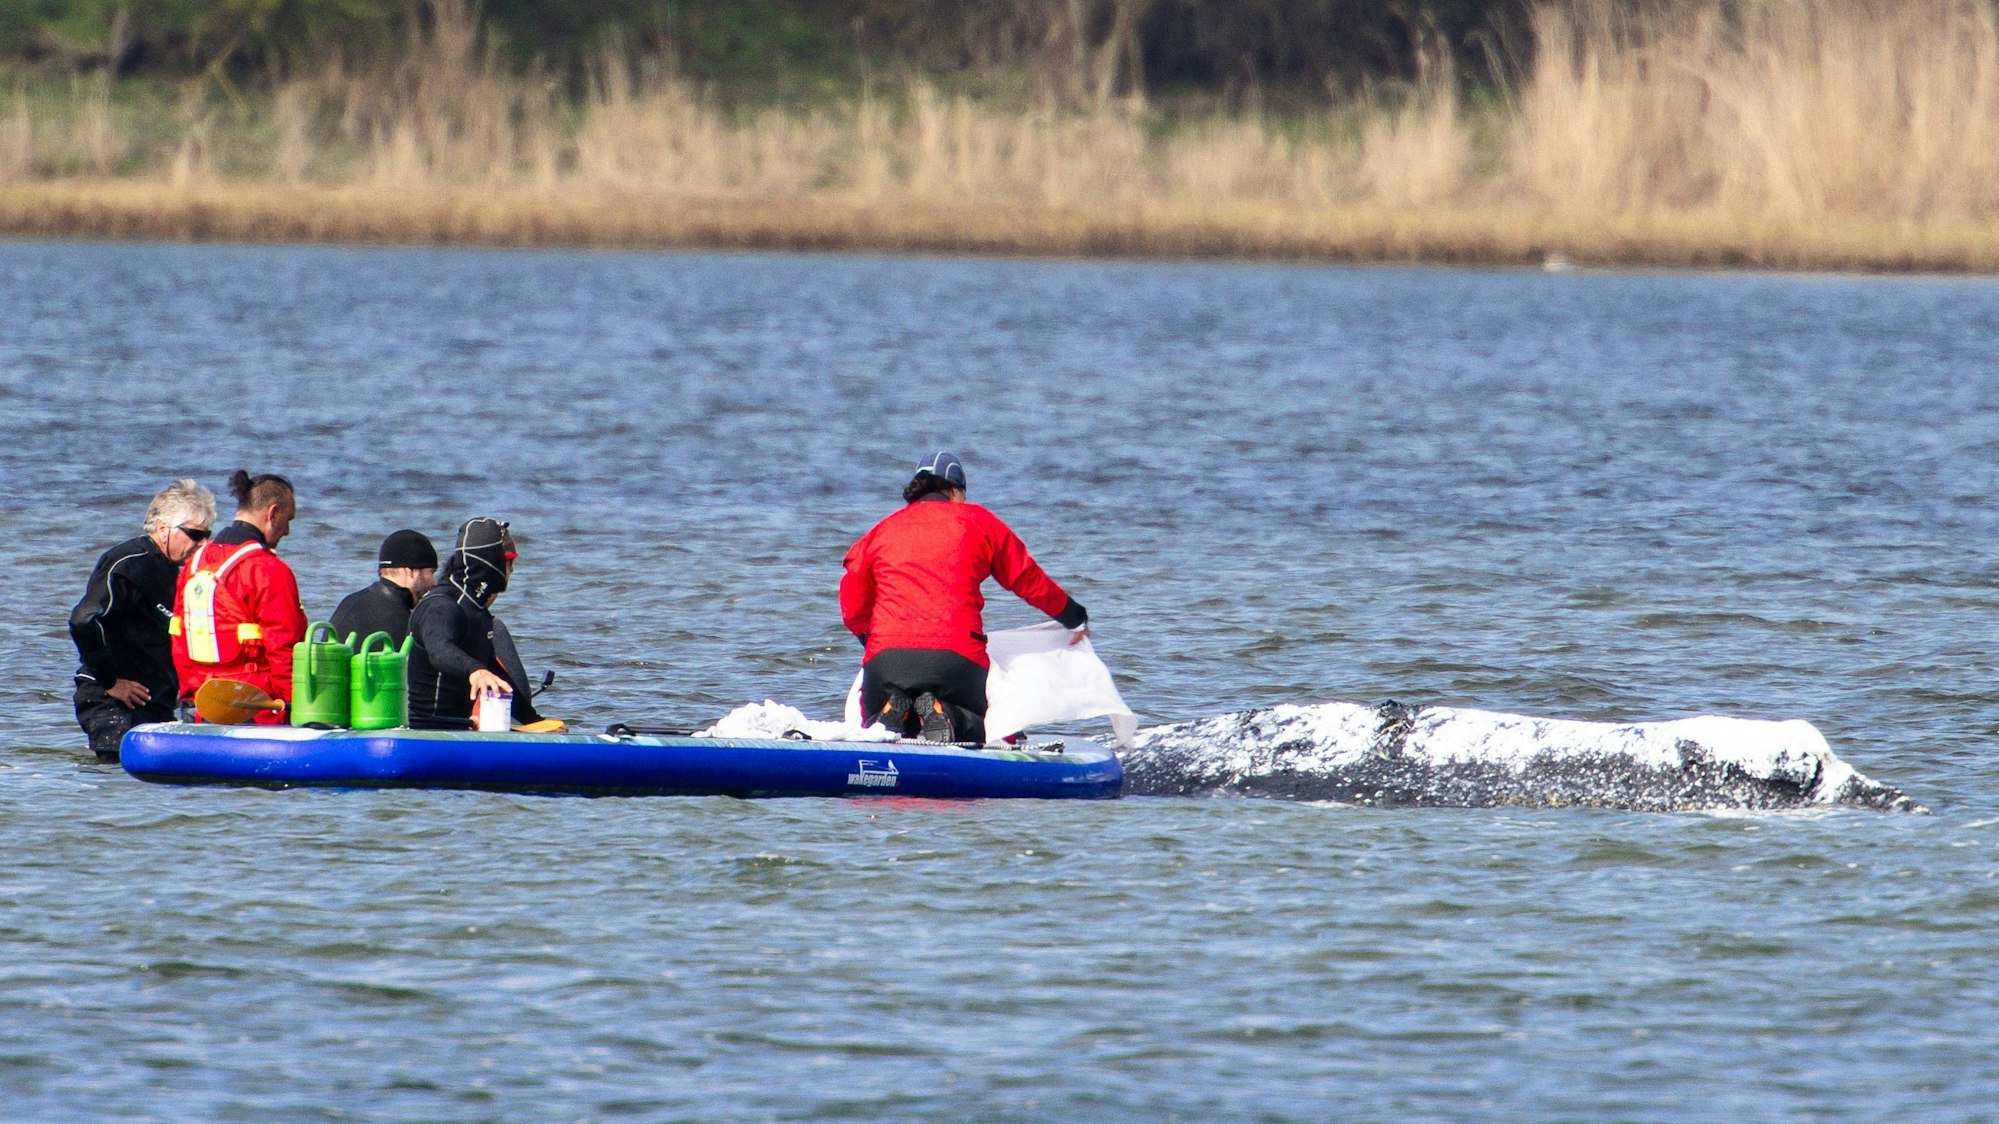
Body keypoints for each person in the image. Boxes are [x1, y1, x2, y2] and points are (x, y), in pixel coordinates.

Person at [840, 451, 1089, 743]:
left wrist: (870, 639)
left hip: (888, 661)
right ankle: (947, 714)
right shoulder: (978, 521)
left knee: (875, 728)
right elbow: (1027, 579)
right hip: (956, 661)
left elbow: (851, 599)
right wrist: (1074, 617)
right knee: (985, 728)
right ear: (955, 491)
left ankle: (896, 709)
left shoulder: (880, 530)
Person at [69, 480, 218, 761]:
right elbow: (84, 620)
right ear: (163, 529)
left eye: (207, 535)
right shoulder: (128, 563)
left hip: (154, 703)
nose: (204, 544)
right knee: (120, 782)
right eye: (195, 534)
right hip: (112, 701)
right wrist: (110, 681)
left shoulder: (181, 573)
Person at [170, 470, 308, 723]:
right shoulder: (269, 570)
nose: (287, 531)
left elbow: (179, 639)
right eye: (288, 520)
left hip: (200, 703)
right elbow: (284, 648)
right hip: (255, 708)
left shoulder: (194, 565)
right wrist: (294, 707)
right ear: (272, 513)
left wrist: (190, 697)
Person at [407, 517, 560, 731]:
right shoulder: (442, 605)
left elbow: (496, 676)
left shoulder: (476, 611)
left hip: (463, 729)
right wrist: (475, 669)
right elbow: (440, 651)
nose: (512, 571)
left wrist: (534, 722)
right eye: (508, 563)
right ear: (492, 562)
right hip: (430, 732)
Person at [330, 529, 439, 646]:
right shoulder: (406, 625)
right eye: (431, 572)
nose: (434, 583)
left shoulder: (348, 603)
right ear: (411, 572)